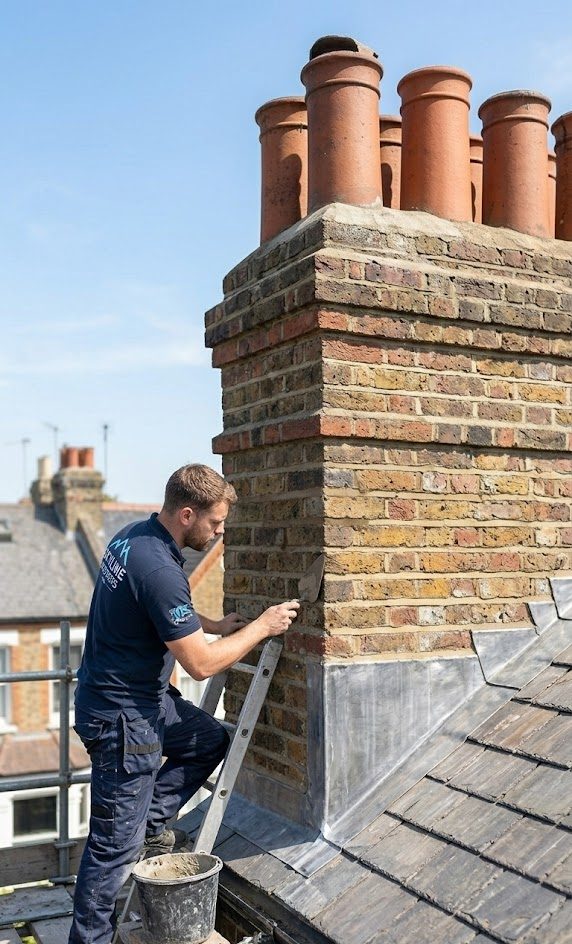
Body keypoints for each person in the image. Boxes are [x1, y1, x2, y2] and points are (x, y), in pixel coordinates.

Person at [68, 463, 300, 944]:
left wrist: (213, 625)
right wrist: (262, 626)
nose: (220, 532)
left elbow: (159, 608)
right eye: (215, 524)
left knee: (208, 738)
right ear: (188, 514)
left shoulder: (135, 539)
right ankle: (89, 939)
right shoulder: (158, 566)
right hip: (123, 720)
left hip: (138, 702)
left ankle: (150, 825)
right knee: (113, 848)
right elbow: (200, 666)